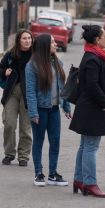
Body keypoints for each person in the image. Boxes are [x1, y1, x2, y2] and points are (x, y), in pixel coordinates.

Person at [69, 25, 105, 198]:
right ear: (97, 39)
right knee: (91, 147)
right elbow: (92, 84)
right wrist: (104, 102)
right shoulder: (93, 58)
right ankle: (90, 183)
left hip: (88, 107)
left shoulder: (92, 55)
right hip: (92, 108)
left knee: (85, 146)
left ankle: (79, 180)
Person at [26, 34, 72, 187]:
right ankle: (39, 173)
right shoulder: (32, 65)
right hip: (40, 110)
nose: (55, 44)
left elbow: (62, 88)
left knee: (55, 141)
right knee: (38, 141)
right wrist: (33, 113)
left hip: (54, 110)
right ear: (45, 45)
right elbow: (30, 91)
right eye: (52, 42)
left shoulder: (58, 62)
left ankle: (53, 174)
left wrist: (66, 107)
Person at [0, 29, 34, 166]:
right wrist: (4, 72)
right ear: (19, 40)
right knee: (9, 124)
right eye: (24, 38)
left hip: (28, 94)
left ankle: (23, 156)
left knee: (25, 127)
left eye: (29, 38)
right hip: (12, 93)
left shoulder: (35, 55)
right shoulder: (11, 55)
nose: (27, 41)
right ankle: (9, 154)